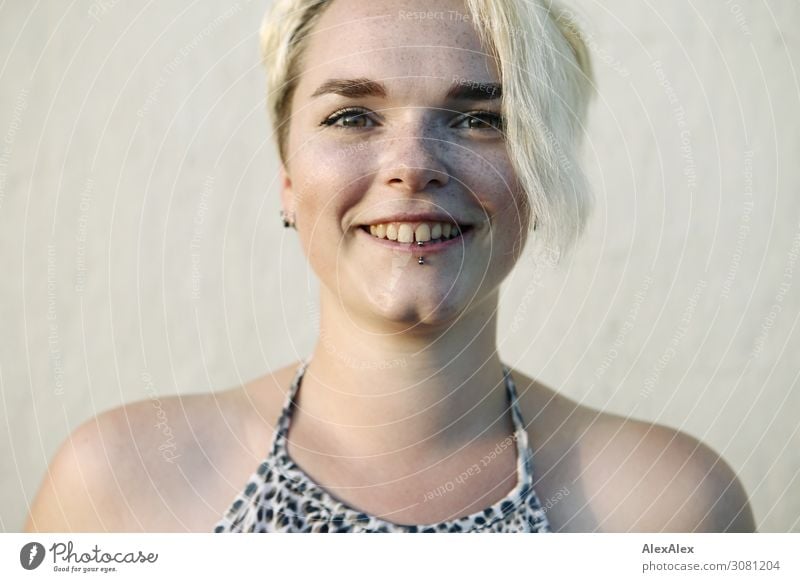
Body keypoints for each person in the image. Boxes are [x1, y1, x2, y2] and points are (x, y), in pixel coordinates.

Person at [25, 0, 755, 533]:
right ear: (287, 173)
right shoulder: (118, 487)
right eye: (353, 116)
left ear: (537, 176)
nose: (411, 167)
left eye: (481, 119)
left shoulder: (674, 506)